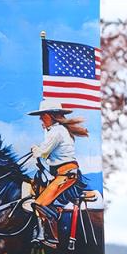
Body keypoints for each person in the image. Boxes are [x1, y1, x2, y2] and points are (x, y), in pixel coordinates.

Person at [27, 99, 89, 246]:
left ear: (51, 115)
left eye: (43, 115)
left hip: (66, 175)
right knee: (38, 196)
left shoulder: (57, 132)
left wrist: (35, 149)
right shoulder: (55, 131)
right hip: (60, 174)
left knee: (39, 203)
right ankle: (44, 233)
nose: (41, 118)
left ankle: (49, 235)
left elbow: (43, 152)